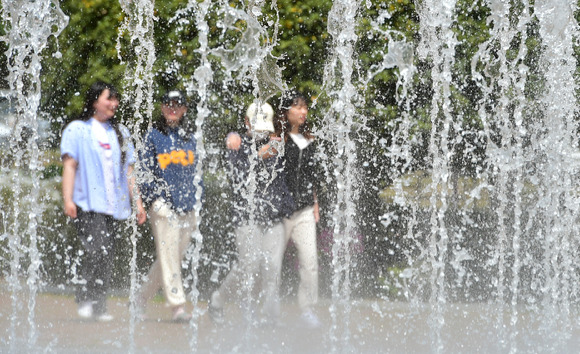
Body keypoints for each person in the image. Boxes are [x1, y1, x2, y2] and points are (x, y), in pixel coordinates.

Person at [61, 81, 146, 321]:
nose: (114, 104)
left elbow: (129, 171)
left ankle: (98, 305)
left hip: (113, 205)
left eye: (115, 99)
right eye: (109, 98)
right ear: (95, 100)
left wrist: (137, 203)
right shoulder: (78, 129)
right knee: (95, 250)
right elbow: (69, 166)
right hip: (87, 203)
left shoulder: (121, 132)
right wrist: (68, 199)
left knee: (106, 254)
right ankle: (85, 298)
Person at [209, 101, 295, 325]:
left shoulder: (277, 143)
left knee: (272, 267)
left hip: (274, 216)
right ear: (246, 123)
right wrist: (258, 155)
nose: (262, 131)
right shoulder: (236, 143)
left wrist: (288, 208)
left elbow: (284, 179)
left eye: (265, 126)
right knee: (249, 264)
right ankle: (219, 300)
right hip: (246, 216)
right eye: (257, 126)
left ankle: (270, 316)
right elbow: (237, 177)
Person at [137, 90, 201, 322]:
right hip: (164, 206)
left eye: (177, 104)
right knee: (170, 257)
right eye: (167, 103)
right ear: (162, 108)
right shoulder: (153, 136)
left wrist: (197, 200)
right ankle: (178, 307)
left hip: (188, 206)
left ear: (184, 109)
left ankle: (140, 299)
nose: (172, 108)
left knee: (171, 257)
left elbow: (197, 173)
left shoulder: (190, 137)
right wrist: (153, 200)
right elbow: (144, 171)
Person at [276, 90, 321, 328]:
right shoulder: (277, 139)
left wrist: (315, 204)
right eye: (297, 107)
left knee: (309, 260)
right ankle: (266, 307)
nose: (303, 111)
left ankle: (308, 309)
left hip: (304, 210)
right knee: (271, 261)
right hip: (280, 211)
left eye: (305, 107)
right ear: (285, 112)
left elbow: (312, 175)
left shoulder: (310, 139)